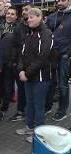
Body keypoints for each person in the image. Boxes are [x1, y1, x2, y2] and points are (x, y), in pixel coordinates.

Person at [16, 8, 53, 143]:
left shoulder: (46, 34)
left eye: (31, 17)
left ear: (40, 17)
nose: (29, 20)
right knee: (29, 103)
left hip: (41, 78)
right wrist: (21, 70)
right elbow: (21, 54)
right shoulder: (29, 34)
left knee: (38, 106)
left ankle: (39, 135)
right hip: (28, 76)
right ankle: (30, 127)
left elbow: (43, 57)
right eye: (27, 18)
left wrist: (27, 72)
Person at [47, 0, 71, 121]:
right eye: (58, 0)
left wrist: (68, 53)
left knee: (63, 84)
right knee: (50, 83)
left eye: (63, 0)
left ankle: (62, 110)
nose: (59, 2)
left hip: (64, 56)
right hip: (51, 55)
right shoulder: (52, 16)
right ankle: (48, 106)